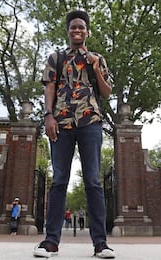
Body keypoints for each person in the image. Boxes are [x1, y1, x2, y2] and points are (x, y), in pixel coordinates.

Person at [33, 10, 115, 258]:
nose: (77, 30)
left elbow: (107, 92)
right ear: (68, 31)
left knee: (93, 180)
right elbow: (49, 87)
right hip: (61, 122)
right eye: (73, 27)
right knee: (59, 180)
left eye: (81, 27)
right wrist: (48, 116)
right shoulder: (56, 58)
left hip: (90, 121)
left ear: (87, 32)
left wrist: (96, 68)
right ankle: (50, 242)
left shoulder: (97, 58)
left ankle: (100, 243)